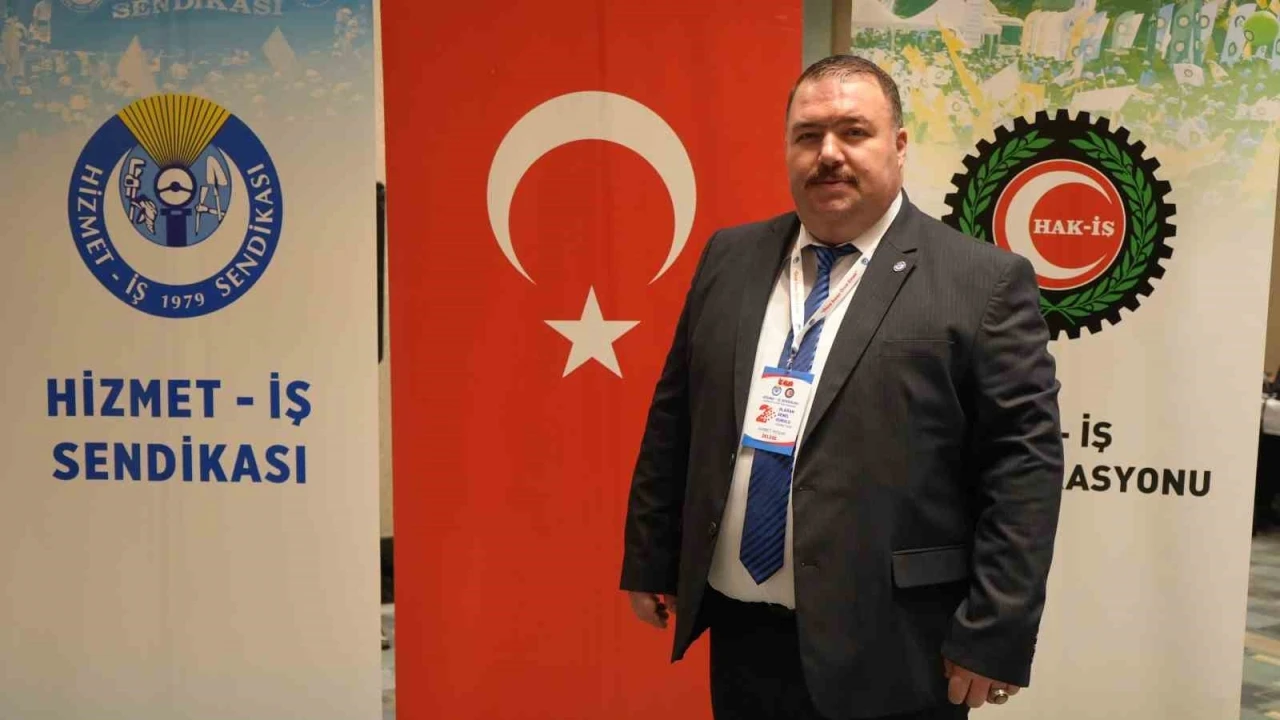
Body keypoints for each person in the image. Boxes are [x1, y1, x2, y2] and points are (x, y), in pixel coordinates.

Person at [619, 55, 1064, 720]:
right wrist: (653, 560)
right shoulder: (729, 257)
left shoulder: (982, 282)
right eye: (808, 135)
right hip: (742, 633)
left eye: (854, 132)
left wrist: (996, 629)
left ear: (899, 145)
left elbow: (1023, 469)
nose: (829, 153)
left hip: (897, 646)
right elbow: (675, 416)